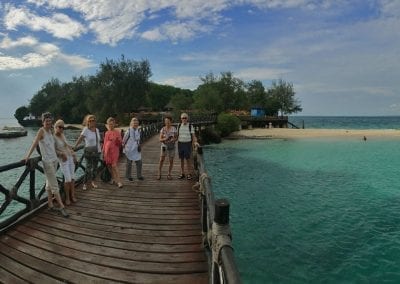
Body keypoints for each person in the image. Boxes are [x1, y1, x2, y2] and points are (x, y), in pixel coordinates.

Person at [23, 112, 69, 217]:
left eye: (49, 120)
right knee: (54, 185)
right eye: (46, 120)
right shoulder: (41, 131)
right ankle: (62, 206)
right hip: (47, 162)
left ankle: (50, 204)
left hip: (55, 160)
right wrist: (27, 156)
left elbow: (52, 148)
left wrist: (61, 153)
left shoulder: (50, 131)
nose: (48, 122)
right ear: (43, 121)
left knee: (49, 185)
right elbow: (34, 144)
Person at [74, 114, 101, 190]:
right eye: (90, 120)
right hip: (88, 152)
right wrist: (74, 147)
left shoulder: (97, 130)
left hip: (97, 151)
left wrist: (101, 150)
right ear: (87, 122)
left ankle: (93, 181)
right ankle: (85, 183)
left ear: (95, 121)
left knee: (95, 168)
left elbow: (98, 141)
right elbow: (80, 138)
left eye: (93, 120)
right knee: (88, 168)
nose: (92, 122)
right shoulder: (86, 129)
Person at [54, 119, 77, 205]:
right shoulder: (53, 137)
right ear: (55, 127)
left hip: (70, 157)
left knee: (73, 177)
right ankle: (67, 197)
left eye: (63, 127)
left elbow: (67, 146)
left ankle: (73, 195)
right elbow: (53, 150)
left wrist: (74, 154)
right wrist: (61, 153)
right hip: (63, 160)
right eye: (60, 127)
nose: (61, 129)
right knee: (67, 179)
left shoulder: (62, 135)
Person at [177, 113, 199, 180]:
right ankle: (182, 173)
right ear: (181, 119)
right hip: (180, 143)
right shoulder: (179, 125)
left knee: (188, 159)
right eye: (183, 118)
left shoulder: (190, 126)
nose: (184, 119)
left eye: (185, 118)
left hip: (187, 144)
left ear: (187, 118)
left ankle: (189, 173)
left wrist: (195, 142)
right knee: (181, 159)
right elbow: (176, 135)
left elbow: (193, 136)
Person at [103, 117, 123, 188]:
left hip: (114, 150)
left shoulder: (117, 132)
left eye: (112, 124)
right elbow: (105, 143)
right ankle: (113, 178)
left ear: (114, 124)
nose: (110, 126)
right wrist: (103, 152)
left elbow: (120, 143)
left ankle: (119, 181)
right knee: (109, 166)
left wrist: (117, 141)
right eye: (109, 124)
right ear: (107, 125)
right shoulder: (106, 133)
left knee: (114, 165)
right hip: (107, 151)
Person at [122, 117, 144, 182]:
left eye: (136, 122)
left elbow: (139, 139)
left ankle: (139, 176)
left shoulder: (138, 130)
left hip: (136, 149)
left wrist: (139, 145)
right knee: (129, 163)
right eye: (134, 122)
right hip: (129, 149)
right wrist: (124, 148)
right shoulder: (128, 131)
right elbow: (124, 140)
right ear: (131, 123)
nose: (135, 123)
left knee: (139, 162)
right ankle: (128, 176)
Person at [157, 116, 177, 180]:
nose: (167, 122)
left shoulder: (174, 129)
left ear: (171, 122)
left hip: (172, 146)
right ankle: (159, 172)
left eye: (168, 121)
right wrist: (165, 138)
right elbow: (159, 139)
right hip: (164, 146)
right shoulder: (163, 129)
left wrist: (173, 139)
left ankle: (169, 174)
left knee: (171, 161)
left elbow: (176, 138)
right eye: (166, 121)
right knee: (161, 159)